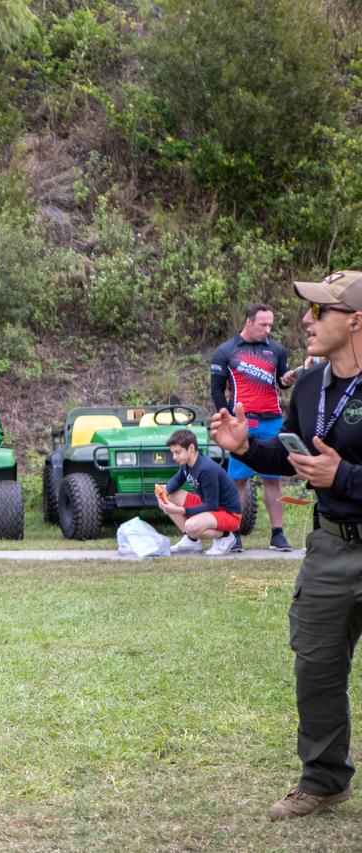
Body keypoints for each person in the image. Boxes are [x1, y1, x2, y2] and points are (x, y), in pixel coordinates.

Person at [210, 270, 362, 822]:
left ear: (355, 321)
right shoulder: (309, 386)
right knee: (316, 668)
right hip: (328, 547)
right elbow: (291, 462)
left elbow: (333, 472)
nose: (306, 320)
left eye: (319, 311)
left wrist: (343, 477)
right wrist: (247, 445)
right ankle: (324, 780)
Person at [211, 304, 300, 551]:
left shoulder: (277, 350)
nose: (268, 329)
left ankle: (278, 534)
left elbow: (282, 381)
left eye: (271, 325)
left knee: (273, 479)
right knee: (238, 480)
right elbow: (216, 389)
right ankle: (234, 533)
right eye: (263, 325)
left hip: (272, 420)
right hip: (243, 423)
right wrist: (226, 418)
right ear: (249, 322)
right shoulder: (226, 351)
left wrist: (287, 379)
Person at [158, 429, 243, 555]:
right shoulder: (187, 463)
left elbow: (211, 505)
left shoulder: (207, 469)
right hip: (212, 507)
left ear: (191, 448)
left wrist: (181, 510)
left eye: (177, 452)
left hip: (229, 514)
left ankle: (226, 536)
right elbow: (177, 479)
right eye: (173, 453)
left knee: (190, 526)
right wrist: (163, 493)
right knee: (169, 495)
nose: (174, 457)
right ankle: (191, 541)